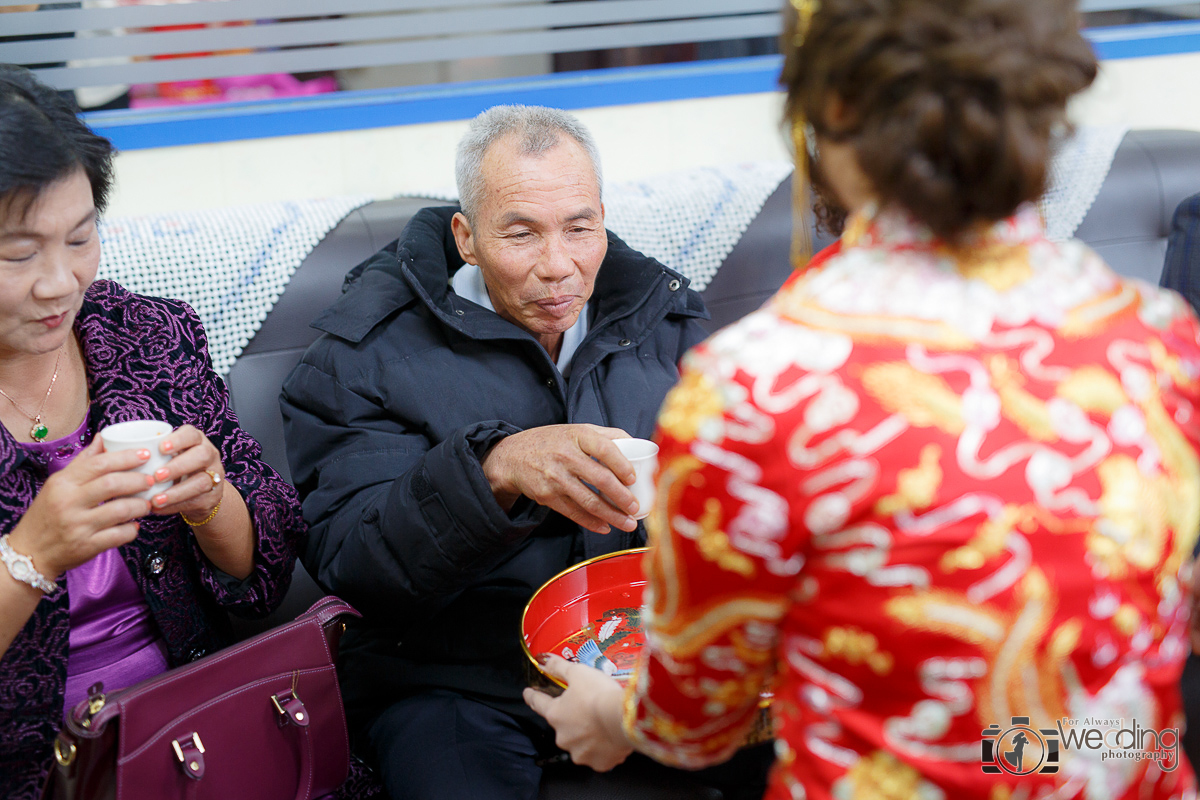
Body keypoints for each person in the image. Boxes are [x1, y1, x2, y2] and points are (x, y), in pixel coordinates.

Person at [526, 1, 1200, 798]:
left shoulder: (756, 384)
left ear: (833, 111)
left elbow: (696, 721)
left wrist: (608, 718)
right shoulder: (1157, 339)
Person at [280, 105, 774, 799]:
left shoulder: (662, 319)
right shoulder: (360, 358)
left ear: (602, 215)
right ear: (468, 236)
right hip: (456, 680)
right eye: (521, 234)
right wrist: (494, 471)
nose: (558, 267)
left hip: (644, 655)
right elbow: (354, 565)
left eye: (579, 228)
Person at [0, 65, 306, 799]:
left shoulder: (145, 336)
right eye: (18, 254)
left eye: (80, 239)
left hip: (191, 738)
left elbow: (261, 575)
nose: (58, 283)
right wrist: (32, 553)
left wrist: (209, 502)